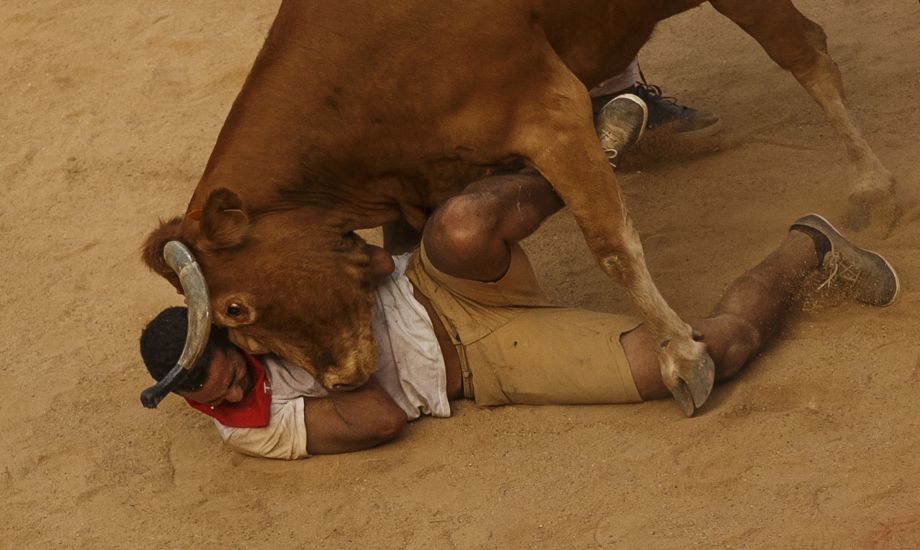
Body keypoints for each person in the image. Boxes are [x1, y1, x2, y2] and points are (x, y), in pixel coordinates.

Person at [139, 95, 899, 459]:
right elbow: (379, 421)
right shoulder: (251, 431)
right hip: (484, 361)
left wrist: (344, 277)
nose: (230, 392)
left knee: (463, 225)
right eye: (204, 396)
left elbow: (371, 266)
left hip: (429, 283)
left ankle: (587, 150)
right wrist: (329, 346)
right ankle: (813, 250)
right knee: (699, 359)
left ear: (229, 335)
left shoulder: (255, 308)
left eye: (225, 373)